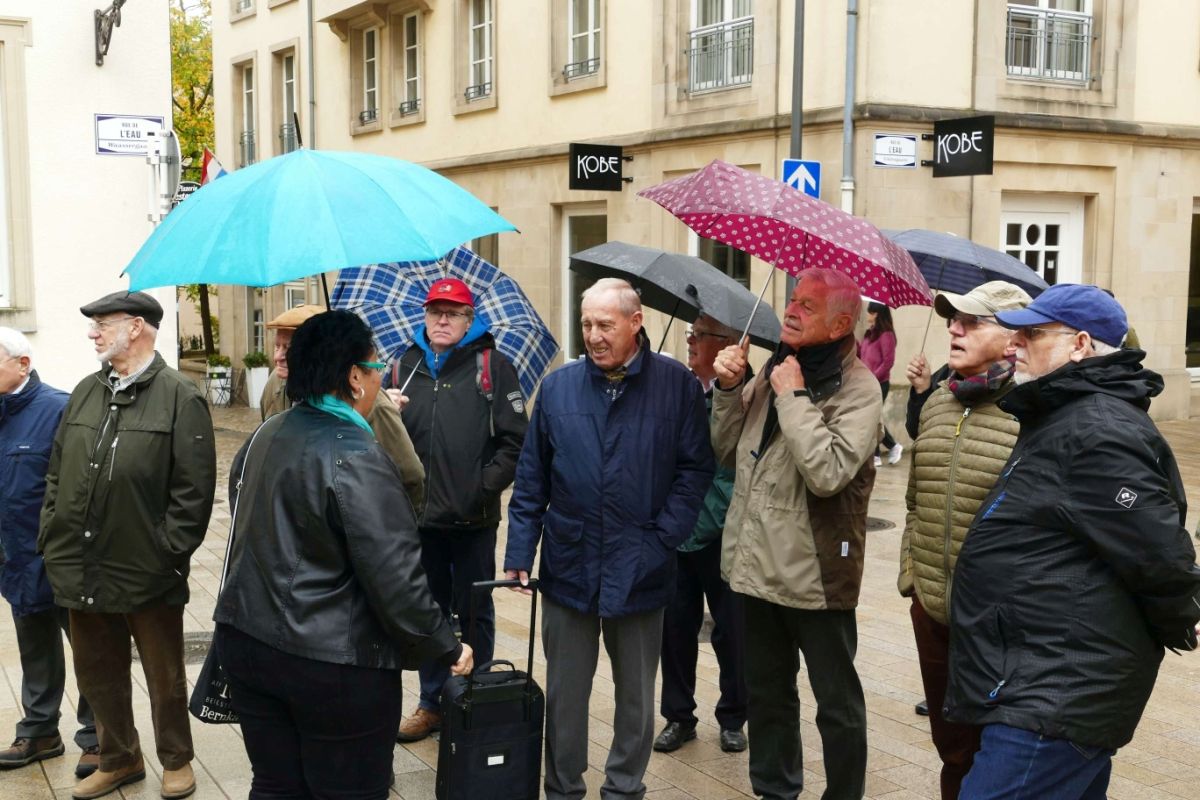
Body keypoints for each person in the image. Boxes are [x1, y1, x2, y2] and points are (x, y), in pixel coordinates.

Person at [945, 284, 1200, 800]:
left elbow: (1158, 552)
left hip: (1058, 691)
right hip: (1043, 677)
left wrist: (1184, 613)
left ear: (1080, 345)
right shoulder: (1063, 413)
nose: (1014, 344)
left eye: (1032, 334)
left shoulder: (1095, 428)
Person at [213, 310, 472, 799]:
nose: (377, 380)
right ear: (354, 377)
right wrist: (448, 646)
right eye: (374, 369)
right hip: (330, 664)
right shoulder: (358, 455)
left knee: (276, 786)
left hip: (246, 642)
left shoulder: (266, 433)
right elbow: (395, 578)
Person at [504, 278, 714, 800]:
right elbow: (531, 478)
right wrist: (519, 550)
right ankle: (563, 789)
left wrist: (663, 539)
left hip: (642, 563)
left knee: (636, 696)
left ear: (635, 323)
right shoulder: (558, 388)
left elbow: (694, 471)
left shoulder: (678, 386)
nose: (593, 336)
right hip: (569, 561)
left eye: (605, 324)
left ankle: (623, 788)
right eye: (586, 324)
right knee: (565, 692)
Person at [711, 268, 881, 800]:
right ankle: (775, 790)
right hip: (757, 566)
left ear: (841, 324)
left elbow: (828, 472)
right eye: (793, 299)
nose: (790, 309)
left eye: (808, 306)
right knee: (768, 696)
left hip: (817, 574)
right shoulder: (776, 367)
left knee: (837, 703)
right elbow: (726, 450)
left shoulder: (860, 389)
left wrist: (793, 397)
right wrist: (728, 389)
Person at [39, 291, 216, 800]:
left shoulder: (180, 396)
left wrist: (168, 551)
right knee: (97, 671)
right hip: (79, 560)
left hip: (147, 566)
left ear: (136, 327)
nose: (92, 333)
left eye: (102, 324)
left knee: (164, 674)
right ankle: (119, 758)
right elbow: (57, 471)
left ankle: (176, 759)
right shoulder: (85, 391)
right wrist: (52, 532)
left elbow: (194, 491)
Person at [896, 281, 1031, 800]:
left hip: (999, 623)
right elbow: (914, 498)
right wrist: (913, 576)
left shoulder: (1033, 412)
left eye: (972, 321)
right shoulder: (937, 401)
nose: (955, 328)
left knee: (997, 754)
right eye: (954, 320)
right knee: (951, 749)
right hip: (932, 611)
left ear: (1012, 336)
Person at [393, 278, 528, 742]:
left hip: (473, 519)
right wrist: (384, 413)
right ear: (424, 316)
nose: (442, 320)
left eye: (453, 313)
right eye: (435, 311)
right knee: (426, 611)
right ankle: (432, 702)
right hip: (418, 520)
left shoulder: (492, 366)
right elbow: (376, 438)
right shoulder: (403, 366)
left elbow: (516, 442)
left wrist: (480, 490)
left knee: (474, 611)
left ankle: (474, 696)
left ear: (470, 320)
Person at [0, 329, 98, 778]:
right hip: (15, 559)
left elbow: (83, 487)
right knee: (35, 649)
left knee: (91, 651)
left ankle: (100, 737)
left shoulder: (59, 409)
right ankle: (40, 732)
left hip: (63, 559)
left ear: (23, 364)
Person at [653, 315, 747, 755]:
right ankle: (678, 717)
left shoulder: (745, 394)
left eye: (701, 335)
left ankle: (733, 718)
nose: (690, 341)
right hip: (676, 526)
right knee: (675, 629)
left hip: (722, 529)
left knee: (732, 631)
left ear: (728, 343)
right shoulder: (675, 387)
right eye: (690, 333)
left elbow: (733, 464)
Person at [261, 304, 425, 510]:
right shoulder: (275, 387)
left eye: (288, 348)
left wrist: (391, 519)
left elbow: (410, 476)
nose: (278, 357)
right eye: (277, 347)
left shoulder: (374, 404)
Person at [858, 302, 902, 466]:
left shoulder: (886, 335)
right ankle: (890, 448)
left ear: (876, 313)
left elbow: (888, 362)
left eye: (869, 312)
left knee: (872, 417)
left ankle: (877, 454)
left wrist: (873, 378)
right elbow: (861, 355)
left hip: (879, 384)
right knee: (872, 418)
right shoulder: (870, 334)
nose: (867, 314)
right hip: (866, 384)